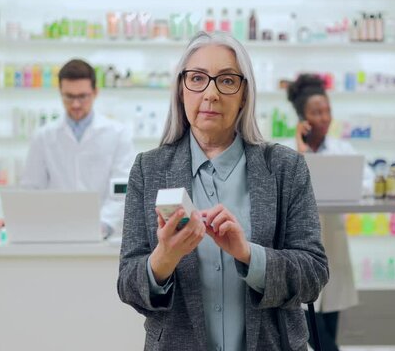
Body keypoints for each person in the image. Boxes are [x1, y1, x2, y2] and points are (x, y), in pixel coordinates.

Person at [117, 32, 328, 351]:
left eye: (227, 81)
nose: (211, 93)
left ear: (245, 94)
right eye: (198, 79)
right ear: (180, 90)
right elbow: (128, 285)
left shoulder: (285, 168)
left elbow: (313, 274)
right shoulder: (150, 169)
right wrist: (164, 258)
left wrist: (248, 254)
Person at [0, 59, 135, 237]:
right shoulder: (43, 136)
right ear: (60, 93)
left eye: (82, 96)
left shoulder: (118, 134)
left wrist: (101, 226)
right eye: (69, 97)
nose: (75, 104)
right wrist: (14, 219)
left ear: (95, 92)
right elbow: (31, 190)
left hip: (105, 236)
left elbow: (123, 191)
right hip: (55, 234)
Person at [285, 74, 374, 351]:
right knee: (313, 332)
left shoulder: (342, 149)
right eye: (316, 112)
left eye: (327, 111)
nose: (324, 117)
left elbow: (368, 181)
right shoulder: (288, 152)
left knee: (330, 331)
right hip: (300, 251)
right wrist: (302, 154)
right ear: (303, 117)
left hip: (333, 249)